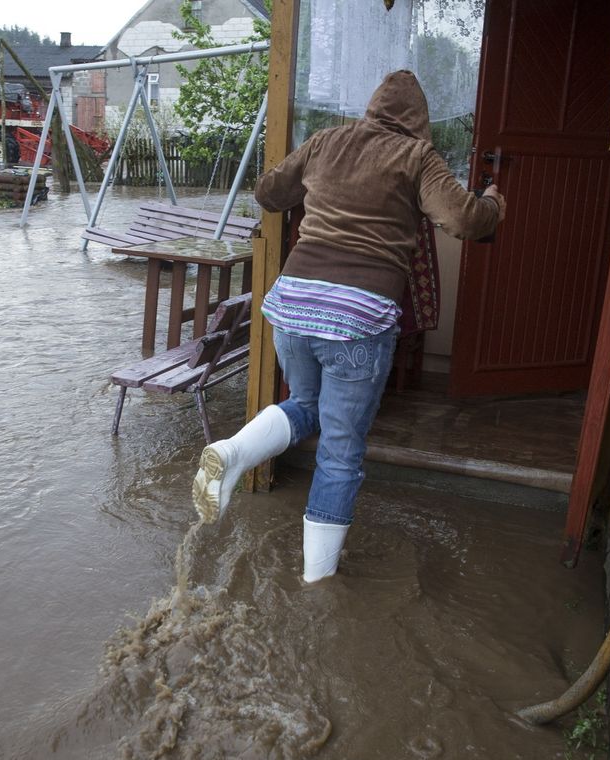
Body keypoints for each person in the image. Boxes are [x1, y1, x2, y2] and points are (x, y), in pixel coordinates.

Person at [191, 70, 505, 583]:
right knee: (341, 452)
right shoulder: (416, 156)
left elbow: (270, 192)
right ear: (419, 122)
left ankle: (232, 452)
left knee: (307, 407)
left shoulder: (327, 141)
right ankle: (317, 583)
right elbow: (464, 220)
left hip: (292, 306)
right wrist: (494, 202)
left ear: (372, 107)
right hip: (357, 317)